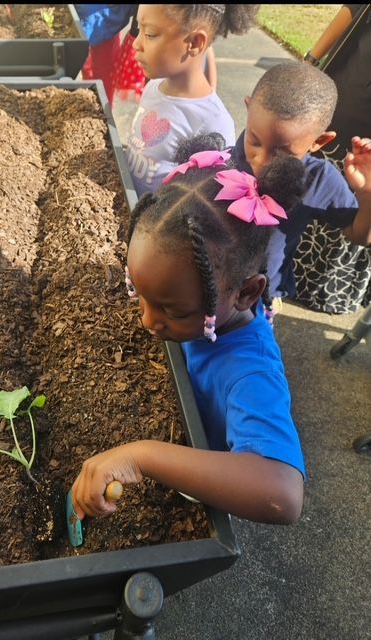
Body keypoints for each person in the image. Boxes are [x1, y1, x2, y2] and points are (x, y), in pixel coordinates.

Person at [71, 137, 307, 526]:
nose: (147, 320)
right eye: (139, 294)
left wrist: (142, 455)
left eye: (171, 310)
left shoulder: (251, 374)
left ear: (247, 293)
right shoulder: (197, 301)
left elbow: (283, 494)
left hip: (209, 471)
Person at [228, 61, 371, 306]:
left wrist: (368, 193)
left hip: (261, 297)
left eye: (282, 153)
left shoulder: (318, 179)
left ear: (319, 142)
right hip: (207, 281)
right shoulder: (224, 159)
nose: (261, 162)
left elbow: (360, 235)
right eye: (254, 141)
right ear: (248, 108)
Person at [125, 4, 259, 196]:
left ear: (195, 42)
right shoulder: (152, 88)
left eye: (151, 34)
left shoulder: (214, 123)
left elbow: (206, 199)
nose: (136, 44)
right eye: (139, 30)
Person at [293, 4, 371, 314]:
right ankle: (287, 272)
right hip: (346, 105)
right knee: (317, 184)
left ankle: (328, 291)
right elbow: (352, 10)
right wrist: (311, 61)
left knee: (362, 198)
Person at [75, 4, 136, 107]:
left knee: (104, 68)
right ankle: (93, 96)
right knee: (88, 60)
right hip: (96, 14)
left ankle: (103, 106)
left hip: (105, 16)